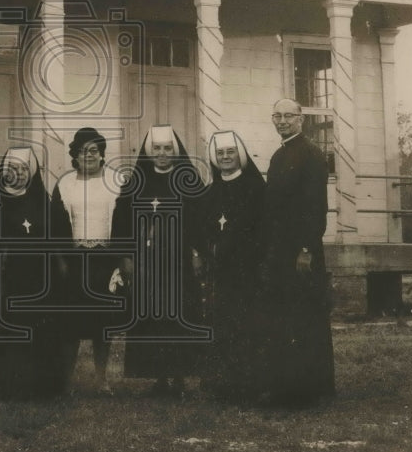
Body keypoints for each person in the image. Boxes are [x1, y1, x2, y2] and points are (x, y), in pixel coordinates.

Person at [111, 125, 206, 398]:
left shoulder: (188, 179)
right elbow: (121, 219)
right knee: (153, 318)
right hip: (147, 266)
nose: (162, 154)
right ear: (149, 152)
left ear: (175, 152)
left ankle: (178, 376)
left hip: (179, 263)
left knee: (178, 316)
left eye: (167, 149)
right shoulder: (137, 180)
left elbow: (199, 220)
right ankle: (159, 376)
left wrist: (197, 253)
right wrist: (125, 255)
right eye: (157, 149)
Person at [0, 146, 65, 398]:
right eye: (12, 168)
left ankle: (37, 386)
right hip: (4, 279)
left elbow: (54, 238)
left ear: (31, 172)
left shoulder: (42, 200)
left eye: (23, 169)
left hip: (37, 281)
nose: (18, 174)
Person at [262, 98, 335, 406]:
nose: (281, 121)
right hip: (279, 250)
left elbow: (315, 208)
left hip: (302, 250)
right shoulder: (279, 155)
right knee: (283, 316)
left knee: (306, 317)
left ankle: (310, 389)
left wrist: (306, 249)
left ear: (301, 119)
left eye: (288, 116)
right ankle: (285, 386)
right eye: (276, 115)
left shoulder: (312, 155)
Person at [50, 127, 124, 394]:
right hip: (75, 261)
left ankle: (101, 379)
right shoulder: (65, 184)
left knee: (102, 323)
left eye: (94, 150)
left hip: (105, 261)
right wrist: (61, 262)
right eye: (82, 151)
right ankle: (67, 381)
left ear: (102, 154)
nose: (88, 155)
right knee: (71, 322)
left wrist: (119, 261)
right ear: (75, 155)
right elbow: (56, 226)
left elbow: (124, 221)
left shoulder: (116, 181)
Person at [195, 130, 267, 404]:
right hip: (220, 270)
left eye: (230, 152)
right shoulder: (211, 191)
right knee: (221, 324)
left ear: (241, 156)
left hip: (247, 269)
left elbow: (262, 228)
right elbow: (203, 227)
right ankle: (221, 385)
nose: (226, 158)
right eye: (221, 154)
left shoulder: (255, 188)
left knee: (247, 325)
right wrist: (206, 251)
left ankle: (249, 386)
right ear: (215, 158)